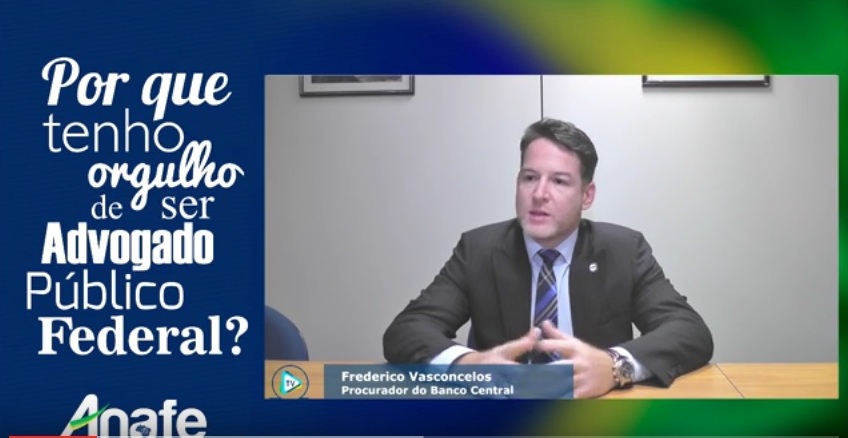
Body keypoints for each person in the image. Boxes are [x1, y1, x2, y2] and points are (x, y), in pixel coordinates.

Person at [383, 118, 713, 398]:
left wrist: (616, 366)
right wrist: (466, 365)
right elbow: (408, 329)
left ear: (587, 195)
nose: (539, 194)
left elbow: (689, 331)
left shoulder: (623, 250)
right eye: (529, 178)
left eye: (559, 181)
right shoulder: (479, 249)